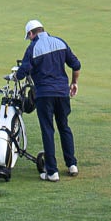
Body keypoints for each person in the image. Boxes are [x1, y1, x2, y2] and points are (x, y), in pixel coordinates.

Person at [17, 19, 80, 182]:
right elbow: (76, 65)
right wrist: (74, 83)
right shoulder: (60, 42)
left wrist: (14, 75)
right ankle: (72, 164)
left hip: (44, 94)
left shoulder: (33, 48)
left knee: (48, 130)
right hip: (62, 93)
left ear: (31, 33)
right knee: (64, 126)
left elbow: (23, 72)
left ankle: (52, 172)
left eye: (28, 36)